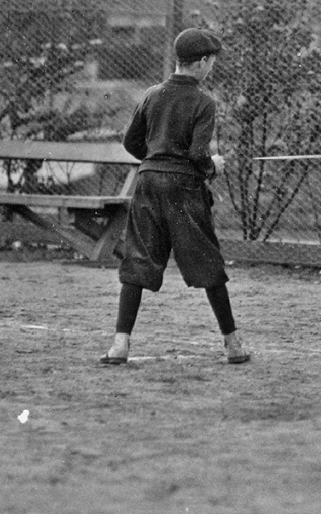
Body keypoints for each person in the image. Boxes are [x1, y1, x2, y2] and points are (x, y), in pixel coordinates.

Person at [100, 28, 249, 365]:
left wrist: (158, 159)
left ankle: (119, 346)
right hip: (183, 189)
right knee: (207, 262)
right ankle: (234, 345)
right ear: (203, 62)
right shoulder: (204, 102)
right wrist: (213, 166)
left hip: (148, 182)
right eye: (211, 61)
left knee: (137, 259)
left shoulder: (153, 94)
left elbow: (130, 144)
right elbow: (198, 154)